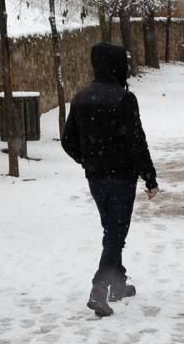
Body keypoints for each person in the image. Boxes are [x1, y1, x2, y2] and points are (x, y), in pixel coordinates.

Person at [61, 43, 158, 318]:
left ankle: (117, 282)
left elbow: (68, 140)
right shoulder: (124, 99)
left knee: (111, 230)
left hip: (96, 177)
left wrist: (88, 159)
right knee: (116, 234)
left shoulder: (81, 98)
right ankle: (99, 288)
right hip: (121, 177)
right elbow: (137, 141)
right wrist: (149, 176)